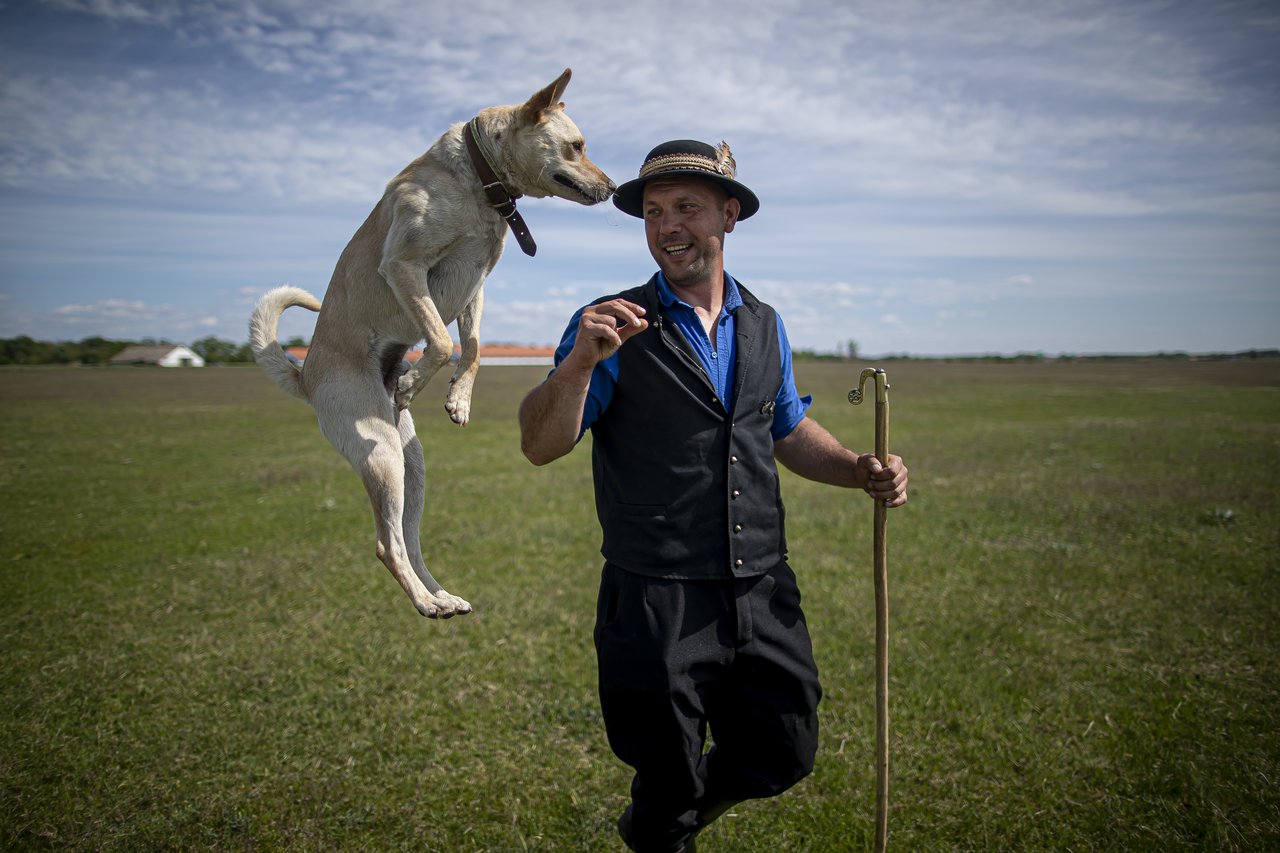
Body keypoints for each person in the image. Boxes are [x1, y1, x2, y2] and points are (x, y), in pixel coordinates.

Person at [518, 139, 908, 852]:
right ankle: (665, 822)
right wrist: (577, 365)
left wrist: (858, 467)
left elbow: (783, 427)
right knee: (665, 772)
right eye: (656, 211)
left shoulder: (765, 323)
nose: (669, 225)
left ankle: (662, 822)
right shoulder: (608, 324)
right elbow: (540, 443)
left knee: (785, 747)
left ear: (729, 216)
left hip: (761, 583)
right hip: (657, 594)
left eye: (688, 208)